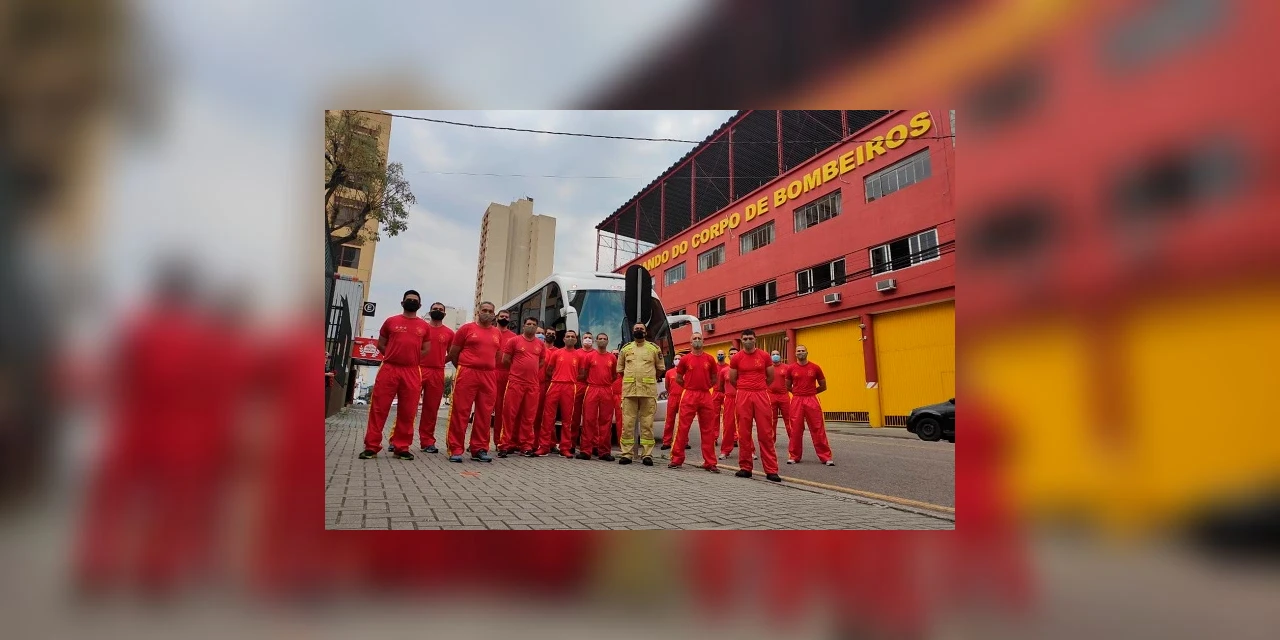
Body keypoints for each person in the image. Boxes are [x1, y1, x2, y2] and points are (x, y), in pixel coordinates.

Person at [360, 291, 430, 460]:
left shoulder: (424, 326)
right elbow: (381, 344)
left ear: (419, 305)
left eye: (415, 301)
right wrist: (393, 355)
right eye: (409, 300)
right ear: (402, 302)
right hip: (389, 369)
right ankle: (371, 446)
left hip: (412, 371)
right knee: (379, 408)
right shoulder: (391, 322)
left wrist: (410, 358)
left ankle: (402, 447)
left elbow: (426, 349)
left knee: (408, 411)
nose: (411, 302)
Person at [444, 301, 503, 463]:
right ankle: (455, 448)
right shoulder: (466, 329)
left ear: (494, 314)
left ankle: (479, 449)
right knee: (461, 411)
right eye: (484, 310)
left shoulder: (497, 333)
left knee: (484, 414)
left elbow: (497, 356)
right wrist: (463, 367)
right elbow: (454, 353)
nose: (487, 313)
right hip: (467, 373)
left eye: (490, 311)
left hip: (489, 375)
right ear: (478, 311)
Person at [729, 329, 781, 482]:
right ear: (741, 340)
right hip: (743, 394)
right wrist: (745, 388)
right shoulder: (736, 358)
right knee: (744, 432)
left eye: (750, 338)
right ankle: (745, 468)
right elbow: (733, 379)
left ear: (755, 339)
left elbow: (770, 377)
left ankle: (771, 470)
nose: (747, 341)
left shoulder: (764, 356)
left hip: (760, 393)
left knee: (765, 432)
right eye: (744, 338)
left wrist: (759, 387)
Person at [669, 333, 720, 472]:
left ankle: (710, 462)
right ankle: (676, 459)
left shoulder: (710, 359)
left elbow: (714, 378)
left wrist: (705, 386)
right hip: (689, 395)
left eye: (699, 338)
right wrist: (689, 386)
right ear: (690, 342)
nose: (697, 340)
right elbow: (678, 378)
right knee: (683, 428)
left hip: (705, 395)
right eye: (694, 339)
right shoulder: (685, 359)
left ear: (703, 341)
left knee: (708, 430)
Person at [616, 323, 664, 466]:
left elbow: (660, 368)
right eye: (636, 329)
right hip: (630, 391)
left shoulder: (654, 349)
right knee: (628, 424)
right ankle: (626, 454)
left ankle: (647, 455)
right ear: (633, 331)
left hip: (647, 392)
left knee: (647, 424)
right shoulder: (625, 349)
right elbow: (620, 369)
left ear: (645, 331)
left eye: (641, 329)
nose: (638, 331)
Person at [499, 317, 546, 457]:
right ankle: (505, 445)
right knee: (509, 415)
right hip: (515, 382)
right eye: (528, 324)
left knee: (528, 417)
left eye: (534, 325)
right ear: (523, 326)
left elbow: (541, 361)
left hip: (532, 384)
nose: (531, 327)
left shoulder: (540, 344)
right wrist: (517, 371)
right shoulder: (514, 341)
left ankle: (526, 445)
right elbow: (505, 360)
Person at [415, 302, 455, 453]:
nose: (437, 311)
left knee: (431, 409)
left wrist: (440, 361)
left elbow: (452, 352)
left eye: (440, 310)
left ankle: (427, 442)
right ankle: (397, 439)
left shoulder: (450, 333)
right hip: (418, 369)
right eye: (435, 309)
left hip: (438, 372)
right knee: (409, 406)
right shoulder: (421, 328)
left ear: (444, 314)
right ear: (429, 311)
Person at [786, 345, 835, 465]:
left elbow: (823, 385)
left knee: (818, 428)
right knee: (796, 429)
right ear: (795, 354)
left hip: (812, 399)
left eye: (803, 351)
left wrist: (811, 393)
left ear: (807, 353)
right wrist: (797, 393)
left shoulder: (815, 367)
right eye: (798, 351)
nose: (800, 352)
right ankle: (794, 456)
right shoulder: (791, 368)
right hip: (797, 400)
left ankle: (826, 457)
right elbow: (787, 385)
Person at [540, 330, 585, 458]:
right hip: (555, 385)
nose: (570, 338)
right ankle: (544, 446)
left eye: (572, 337)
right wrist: (558, 377)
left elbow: (582, 373)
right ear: (564, 339)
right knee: (548, 417)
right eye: (567, 336)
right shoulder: (557, 353)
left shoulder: (579, 356)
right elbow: (549, 370)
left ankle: (565, 447)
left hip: (570, 387)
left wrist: (571, 378)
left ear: (576, 340)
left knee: (568, 419)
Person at [578, 333, 617, 461]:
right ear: (596, 341)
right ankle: (585, 451)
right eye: (599, 339)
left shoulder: (612, 358)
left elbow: (614, 376)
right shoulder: (589, 356)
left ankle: (604, 451)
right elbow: (583, 373)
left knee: (606, 421)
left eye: (604, 339)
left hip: (606, 389)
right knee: (589, 420)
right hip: (592, 388)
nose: (602, 341)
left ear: (607, 341)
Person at [491, 308, 518, 451]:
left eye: (507, 317)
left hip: (506, 374)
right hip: (490, 372)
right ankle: (476, 442)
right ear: (497, 317)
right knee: (484, 409)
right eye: (502, 316)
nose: (504, 319)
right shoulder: (490, 332)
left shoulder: (514, 337)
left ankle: (499, 441)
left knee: (503, 410)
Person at [717, 347, 740, 460]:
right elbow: (721, 387)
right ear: (729, 356)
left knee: (745, 425)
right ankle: (725, 450)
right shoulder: (724, 370)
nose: (734, 355)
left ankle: (750, 451)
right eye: (731, 354)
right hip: (729, 399)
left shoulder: (744, 369)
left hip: (741, 398)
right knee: (728, 426)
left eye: (736, 353)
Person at [572, 332, 593, 453]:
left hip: (591, 386)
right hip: (578, 385)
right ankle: (571, 443)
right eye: (585, 338)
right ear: (582, 339)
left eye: (590, 338)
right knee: (574, 417)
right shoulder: (576, 353)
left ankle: (590, 445)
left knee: (590, 418)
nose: (588, 340)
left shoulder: (595, 354)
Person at [768, 349, 792, 443]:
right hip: (771, 396)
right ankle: (771, 441)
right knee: (772, 420)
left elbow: (792, 381)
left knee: (788, 419)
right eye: (773, 354)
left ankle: (793, 440)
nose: (775, 356)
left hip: (784, 396)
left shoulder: (787, 368)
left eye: (777, 354)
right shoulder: (768, 368)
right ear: (770, 356)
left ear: (780, 356)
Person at [660, 356, 684, 450]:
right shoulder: (669, 372)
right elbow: (667, 386)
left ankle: (684, 442)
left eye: (679, 359)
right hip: (672, 397)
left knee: (683, 421)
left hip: (682, 397)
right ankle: (666, 442)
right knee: (669, 420)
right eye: (675, 358)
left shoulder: (685, 371)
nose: (677, 360)